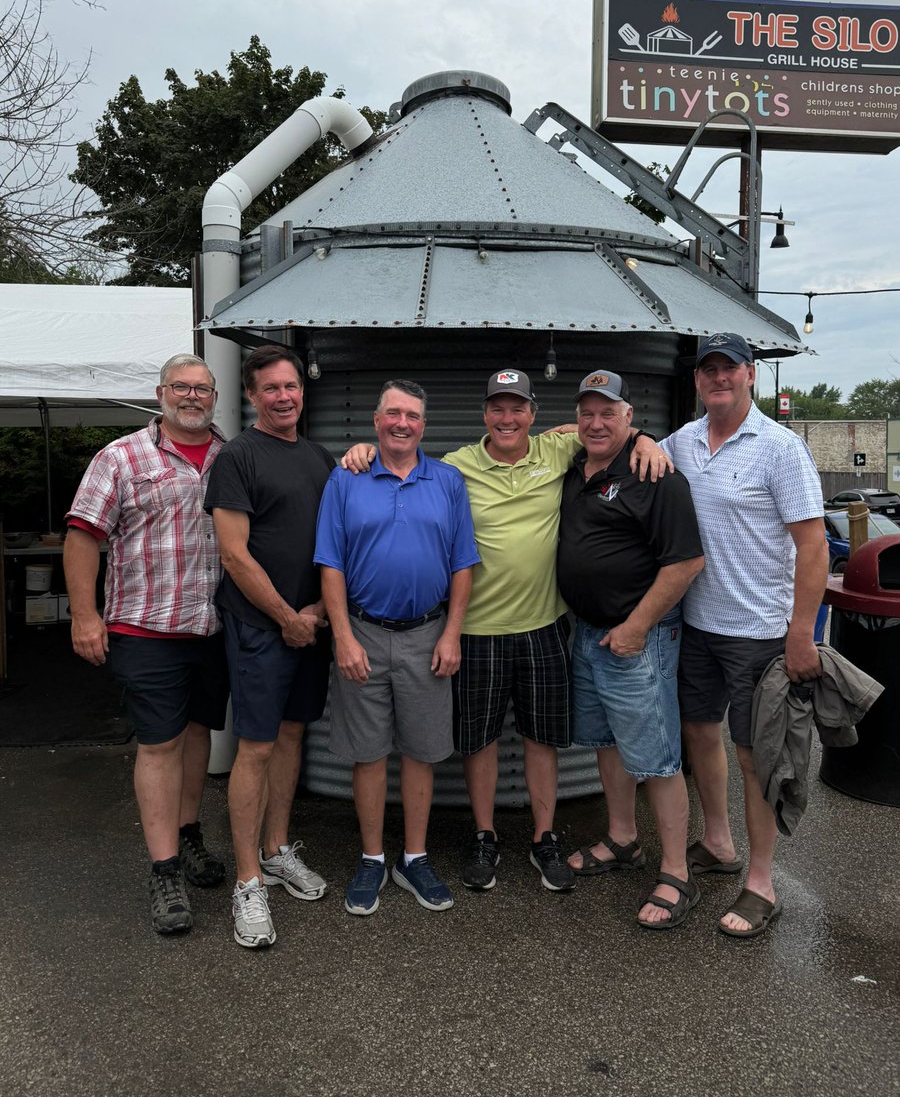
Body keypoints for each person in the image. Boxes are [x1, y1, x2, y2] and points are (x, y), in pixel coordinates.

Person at [342, 368, 670, 893]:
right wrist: (363, 448)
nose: (507, 417)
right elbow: (404, 462)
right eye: (497, 407)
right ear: (484, 415)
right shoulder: (455, 468)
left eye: (517, 407)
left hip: (544, 626)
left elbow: (597, 429)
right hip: (474, 630)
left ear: (533, 416)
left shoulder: (557, 451)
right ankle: (484, 835)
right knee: (480, 741)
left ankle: (544, 837)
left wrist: (648, 438)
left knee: (542, 739)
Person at [658, 332, 827, 938]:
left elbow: (813, 545)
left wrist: (801, 633)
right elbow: (622, 442)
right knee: (699, 733)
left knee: (758, 756)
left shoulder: (779, 447)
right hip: (698, 625)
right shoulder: (681, 442)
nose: (718, 378)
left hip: (760, 633)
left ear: (751, 375)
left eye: (729, 369)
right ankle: (719, 843)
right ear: (698, 380)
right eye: (709, 370)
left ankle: (760, 883)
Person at [64, 353, 229, 936]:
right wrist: (85, 615)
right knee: (158, 745)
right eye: (181, 387)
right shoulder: (122, 457)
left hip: (211, 630)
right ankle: (164, 873)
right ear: (161, 393)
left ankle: (188, 838)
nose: (192, 397)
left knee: (196, 735)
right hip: (144, 629)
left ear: (214, 396)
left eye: (202, 388)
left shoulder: (229, 456)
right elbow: (83, 536)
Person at [315, 380, 479, 916]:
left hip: (428, 635)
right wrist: (341, 636)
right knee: (367, 753)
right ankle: (370, 859)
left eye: (412, 415)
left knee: (422, 751)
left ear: (423, 426)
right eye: (393, 413)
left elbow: (462, 563)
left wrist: (452, 633)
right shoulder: (346, 478)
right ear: (377, 420)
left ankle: (413, 856)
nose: (402, 423)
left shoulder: (449, 481)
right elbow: (330, 562)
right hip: (361, 632)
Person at [557, 370, 705, 928]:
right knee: (607, 744)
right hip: (589, 633)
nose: (596, 423)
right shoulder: (576, 466)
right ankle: (623, 839)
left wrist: (638, 626)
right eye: (586, 413)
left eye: (608, 413)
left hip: (638, 640)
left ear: (630, 418)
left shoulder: (657, 476)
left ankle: (676, 874)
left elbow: (686, 561)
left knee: (658, 758)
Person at [205, 344, 335, 949]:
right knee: (254, 746)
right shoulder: (237, 458)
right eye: (271, 389)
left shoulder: (319, 458)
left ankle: (278, 849)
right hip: (261, 627)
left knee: (290, 734)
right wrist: (285, 616)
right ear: (253, 397)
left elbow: (336, 543)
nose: (284, 397)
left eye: (291, 387)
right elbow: (234, 554)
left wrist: (312, 614)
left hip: (309, 624)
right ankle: (248, 880)